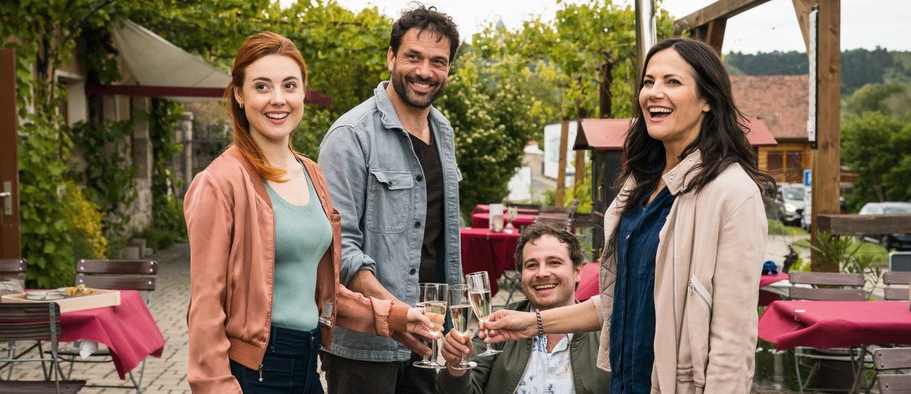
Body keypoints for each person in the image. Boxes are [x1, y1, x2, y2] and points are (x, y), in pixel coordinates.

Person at [482, 37, 774, 393]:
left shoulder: (731, 193)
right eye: (649, 82)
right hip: (625, 383)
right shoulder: (640, 185)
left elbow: (734, 338)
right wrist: (534, 323)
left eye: (673, 82)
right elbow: (618, 300)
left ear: (707, 101)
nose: (654, 92)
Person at [184, 31, 436, 393]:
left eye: (289, 85)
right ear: (239, 94)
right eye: (261, 86)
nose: (278, 99)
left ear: (303, 92)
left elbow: (323, 294)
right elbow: (206, 307)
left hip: (307, 365)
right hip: (252, 372)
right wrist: (214, 385)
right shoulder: (219, 183)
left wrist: (396, 317)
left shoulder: (311, 172)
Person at [316, 5, 463, 394]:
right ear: (391, 57)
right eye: (413, 56)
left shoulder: (444, 131)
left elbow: (443, 243)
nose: (425, 71)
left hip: (428, 340)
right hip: (365, 346)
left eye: (438, 61)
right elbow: (339, 250)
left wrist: (455, 327)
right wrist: (398, 314)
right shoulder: (350, 135)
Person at [436, 222, 610, 393]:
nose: (542, 273)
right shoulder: (500, 323)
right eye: (531, 265)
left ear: (577, 271)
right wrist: (456, 365)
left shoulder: (604, 331)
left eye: (554, 262)